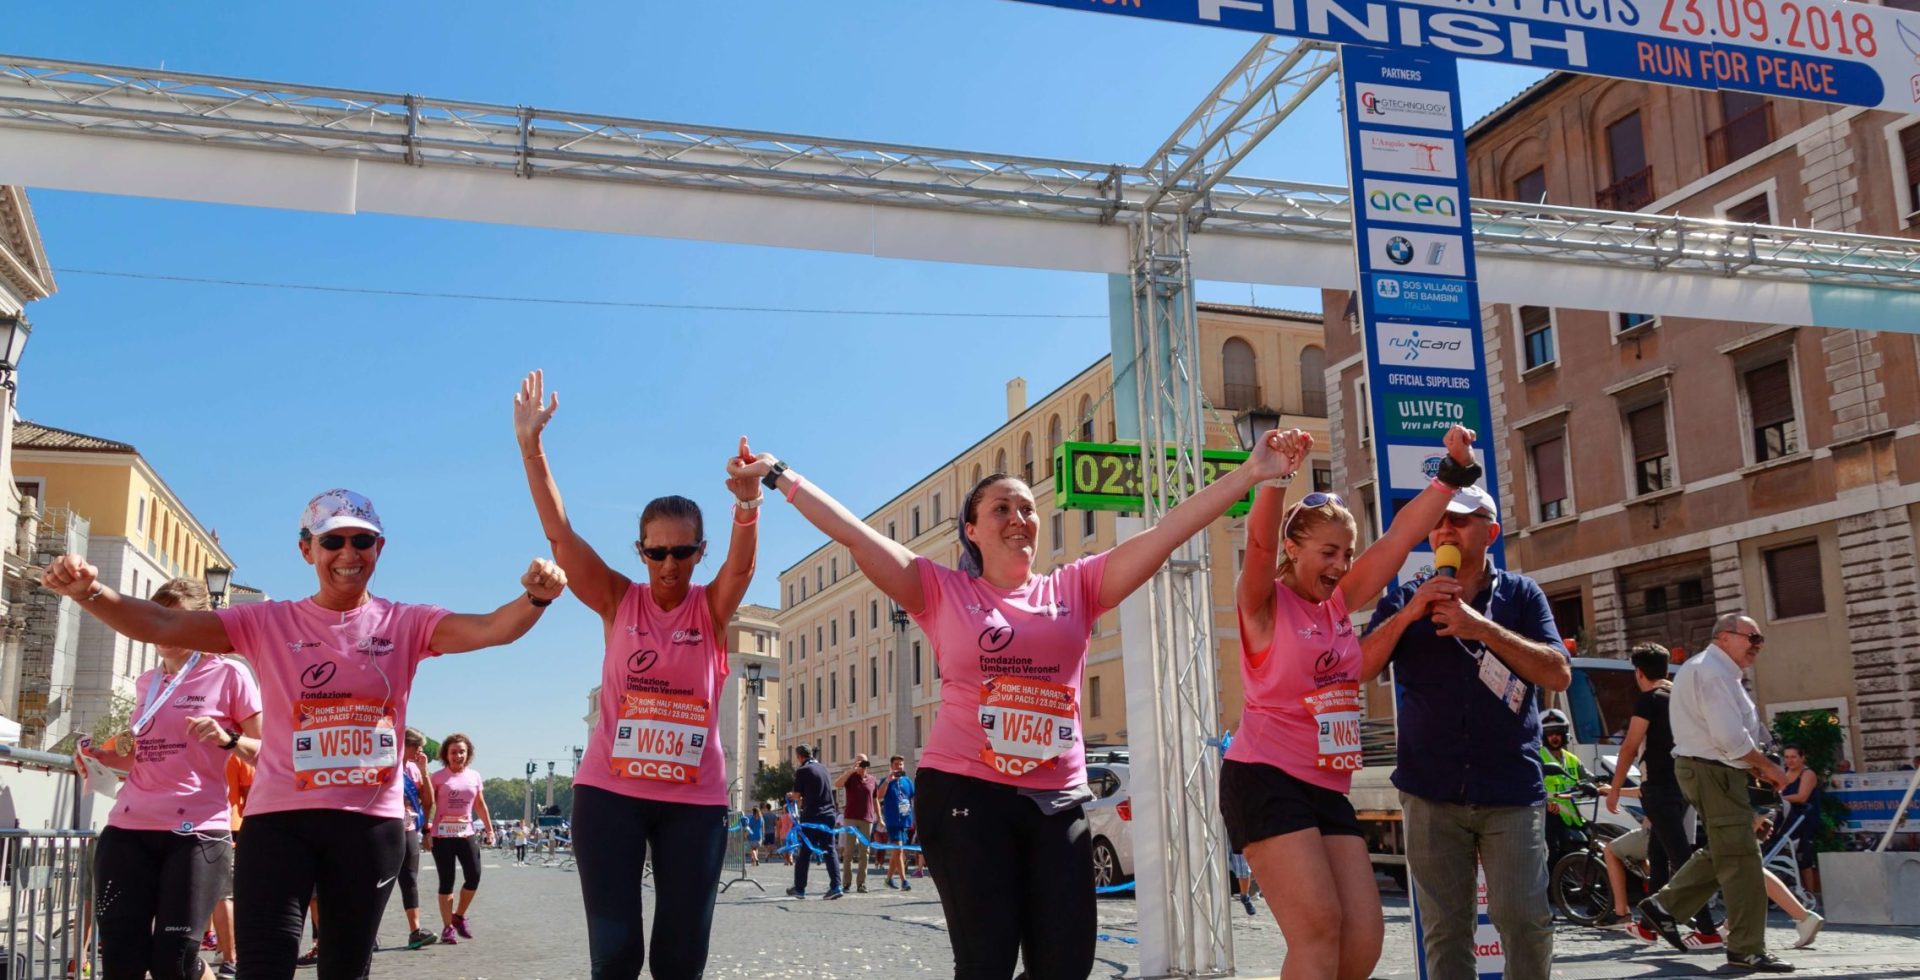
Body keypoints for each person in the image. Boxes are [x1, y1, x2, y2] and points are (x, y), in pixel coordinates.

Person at [733, 425, 1305, 978]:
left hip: (1055, 799)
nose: (1018, 518)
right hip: (964, 790)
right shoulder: (940, 590)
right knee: (986, 962)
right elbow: (855, 533)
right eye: (1001, 509)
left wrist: (1253, 474)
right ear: (972, 530)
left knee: (1066, 964)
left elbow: (1166, 534)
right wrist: (780, 476)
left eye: (1027, 508)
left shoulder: (1074, 589)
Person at [43, 488, 567, 980]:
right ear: (306, 550)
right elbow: (159, 624)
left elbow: (491, 628)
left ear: (378, 548)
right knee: (264, 966)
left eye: (362, 541)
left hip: (367, 827)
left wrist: (535, 600)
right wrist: (90, 590)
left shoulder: (405, 622)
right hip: (280, 823)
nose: (348, 552)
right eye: (332, 541)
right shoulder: (269, 622)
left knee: (344, 968)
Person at [513, 371, 756, 980]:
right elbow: (561, 534)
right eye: (656, 552)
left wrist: (748, 506)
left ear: (699, 552)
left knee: (680, 959)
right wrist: (531, 447)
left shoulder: (712, 609)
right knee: (616, 957)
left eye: (682, 552)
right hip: (610, 797)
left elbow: (743, 569)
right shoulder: (618, 601)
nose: (668, 565)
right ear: (640, 550)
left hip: (694, 802)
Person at [1224, 426, 1479, 980]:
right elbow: (1261, 544)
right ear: (1294, 550)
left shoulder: (1337, 604)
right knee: (1317, 930)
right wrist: (1276, 478)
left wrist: (1450, 477)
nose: (1340, 565)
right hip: (1265, 776)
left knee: (1362, 942)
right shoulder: (1264, 605)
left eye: (1346, 553)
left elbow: (1395, 542)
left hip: (1327, 784)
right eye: (1327, 552)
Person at [1359, 480, 1573, 980]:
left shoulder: (1522, 595)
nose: (1444, 529)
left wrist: (1481, 628)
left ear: (1490, 531)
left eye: (1458, 519)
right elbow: (1358, 668)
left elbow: (1557, 672)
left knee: (1525, 919)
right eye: (1438, 522)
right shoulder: (1406, 598)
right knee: (1445, 929)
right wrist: (1411, 611)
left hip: (1511, 790)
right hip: (1430, 791)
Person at [76, 578, 263, 980]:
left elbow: (271, 751)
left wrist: (230, 739)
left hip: (195, 832)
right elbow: (140, 755)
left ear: (198, 624)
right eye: (155, 617)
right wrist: (100, 757)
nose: (161, 629)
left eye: (173, 619)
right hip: (129, 825)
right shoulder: (149, 682)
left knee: (174, 963)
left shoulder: (230, 674)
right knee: (121, 960)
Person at [1635, 613, 1795, 973]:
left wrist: (1754, 766)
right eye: (1751, 638)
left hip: (1714, 770)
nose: (1757, 646)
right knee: (1743, 860)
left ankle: (1664, 907)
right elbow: (1728, 738)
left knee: (1727, 849)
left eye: (1760, 640)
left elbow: (1728, 739)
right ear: (1724, 637)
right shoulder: (1713, 671)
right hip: (1713, 772)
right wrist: (1767, 767)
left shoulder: (1715, 671)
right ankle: (1746, 947)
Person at [1604, 643, 1720, 944]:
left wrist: (1614, 790)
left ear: (1639, 672)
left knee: (1680, 859)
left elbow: (1629, 746)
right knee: (1658, 856)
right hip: (1684, 786)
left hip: (1658, 789)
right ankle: (1649, 926)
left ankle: (1708, 930)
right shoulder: (1681, 698)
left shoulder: (1649, 700)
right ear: (1667, 669)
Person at [430, 733, 492, 945]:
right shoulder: (437, 777)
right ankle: (448, 927)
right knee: (446, 882)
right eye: (454, 752)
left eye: (462, 752)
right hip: (443, 835)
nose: (458, 756)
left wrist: (489, 829)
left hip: (466, 833)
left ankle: (459, 915)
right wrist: (427, 830)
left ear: (468, 754)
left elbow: (480, 805)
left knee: (474, 876)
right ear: (446, 755)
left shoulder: (474, 776)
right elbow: (428, 804)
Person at [214, 752, 256, 978]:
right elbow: (250, 794)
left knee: (219, 894)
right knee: (226, 894)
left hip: (197, 822)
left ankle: (226, 950)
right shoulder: (235, 749)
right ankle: (231, 957)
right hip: (230, 825)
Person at [396, 728, 438, 950]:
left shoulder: (413, 769)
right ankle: (368, 932)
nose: (420, 751)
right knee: (377, 881)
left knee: (410, 879)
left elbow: (428, 802)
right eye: (416, 747)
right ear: (404, 744)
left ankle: (415, 931)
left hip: (408, 826)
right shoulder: (387, 764)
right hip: (386, 826)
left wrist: (424, 771)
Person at [787, 743, 843, 899]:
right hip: (830, 814)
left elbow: (797, 795)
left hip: (812, 815)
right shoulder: (824, 768)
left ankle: (799, 888)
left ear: (799, 757)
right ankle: (836, 886)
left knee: (804, 851)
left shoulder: (802, 770)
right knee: (830, 850)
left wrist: (791, 795)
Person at [1538, 709, 1587, 878]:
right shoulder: (1537, 757)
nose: (1554, 737)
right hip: (1547, 814)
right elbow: (1528, 786)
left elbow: (1586, 779)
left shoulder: (1571, 759)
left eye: (1558, 733)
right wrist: (1546, 803)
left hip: (1572, 815)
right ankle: (1548, 891)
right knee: (1554, 850)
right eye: (1550, 733)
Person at [1776, 745, 1822, 898]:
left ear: (1802, 758)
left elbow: (1802, 797)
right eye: (1787, 757)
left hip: (1804, 819)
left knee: (1804, 857)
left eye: (1793, 757)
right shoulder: (1784, 773)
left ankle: (1809, 893)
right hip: (1786, 819)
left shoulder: (1807, 774)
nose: (1790, 760)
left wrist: (1779, 799)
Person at [838, 754, 878, 893]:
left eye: (864, 762)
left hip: (867, 819)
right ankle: (846, 883)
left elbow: (875, 799)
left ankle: (861, 883)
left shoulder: (872, 780)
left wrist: (879, 816)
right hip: (850, 818)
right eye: (859, 762)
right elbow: (837, 784)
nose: (862, 765)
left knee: (864, 852)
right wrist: (850, 771)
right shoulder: (850, 777)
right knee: (848, 852)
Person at [875, 756, 915, 890]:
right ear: (891, 766)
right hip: (892, 821)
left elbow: (914, 797)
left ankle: (888, 878)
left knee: (897, 853)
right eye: (896, 764)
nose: (899, 767)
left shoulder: (907, 781)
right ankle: (904, 881)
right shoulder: (886, 781)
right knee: (899, 849)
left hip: (905, 820)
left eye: (901, 764)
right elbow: (879, 796)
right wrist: (887, 781)